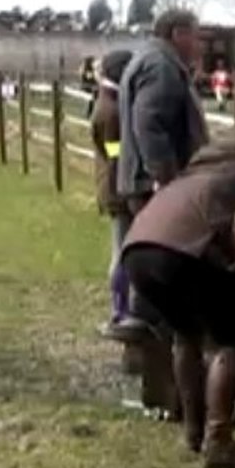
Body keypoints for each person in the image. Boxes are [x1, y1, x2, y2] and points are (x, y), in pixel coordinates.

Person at [120, 136, 235, 468]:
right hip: (179, 251)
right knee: (231, 337)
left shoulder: (192, 179)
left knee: (185, 333)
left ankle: (193, 430)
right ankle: (219, 443)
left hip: (137, 253)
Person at [113, 9, 210, 341]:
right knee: (164, 266)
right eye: (196, 37)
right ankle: (156, 343)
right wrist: (167, 180)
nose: (200, 45)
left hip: (141, 179)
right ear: (177, 34)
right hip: (153, 184)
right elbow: (149, 124)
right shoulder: (162, 67)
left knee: (155, 261)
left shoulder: (149, 59)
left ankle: (154, 338)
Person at [90, 48, 135, 335]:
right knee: (121, 253)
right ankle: (120, 311)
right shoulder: (113, 110)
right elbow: (116, 154)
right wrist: (128, 189)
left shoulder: (109, 103)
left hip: (113, 187)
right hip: (118, 191)